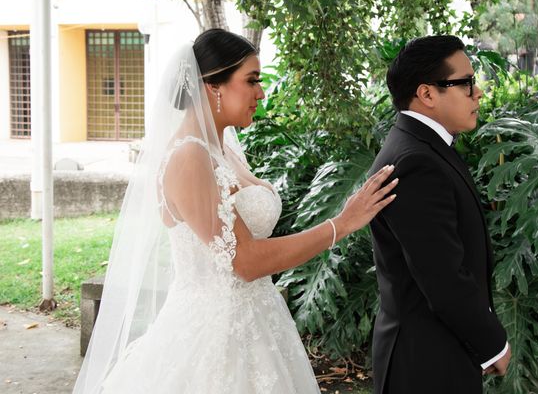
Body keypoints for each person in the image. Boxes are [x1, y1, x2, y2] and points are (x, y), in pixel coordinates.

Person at [73, 29, 397, 394]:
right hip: (214, 337)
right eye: (252, 80)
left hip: (258, 322)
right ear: (214, 86)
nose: (261, 92)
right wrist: (341, 223)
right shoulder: (189, 157)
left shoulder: (224, 145)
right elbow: (243, 260)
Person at [369, 35, 510, 393]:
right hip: (426, 364)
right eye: (465, 83)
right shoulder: (416, 161)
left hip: (433, 352)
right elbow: (443, 276)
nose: (477, 93)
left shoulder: (420, 146)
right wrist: (492, 343)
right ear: (427, 94)